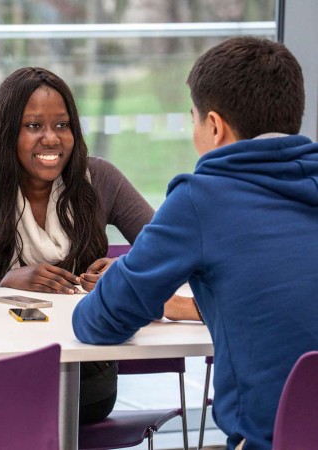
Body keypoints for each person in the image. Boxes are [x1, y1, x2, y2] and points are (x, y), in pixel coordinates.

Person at [73, 36, 318, 450]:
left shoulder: (202, 198)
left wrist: (139, 284)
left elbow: (98, 322)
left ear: (215, 126)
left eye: (193, 120)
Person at [0, 66, 196, 424]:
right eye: (34, 126)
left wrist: (126, 273)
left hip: (88, 375)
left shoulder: (101, 180)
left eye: (62, 125)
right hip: (3, 373)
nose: (51, 138)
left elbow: (170, 254)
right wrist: (4, 285)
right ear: (7, 133)